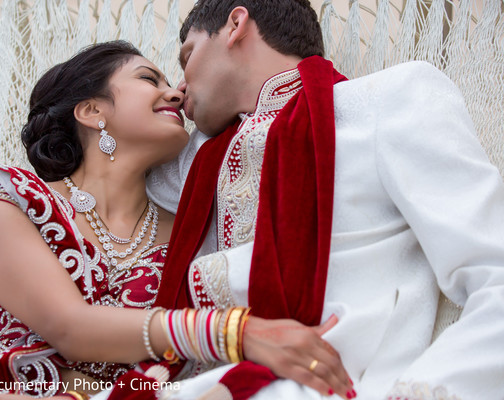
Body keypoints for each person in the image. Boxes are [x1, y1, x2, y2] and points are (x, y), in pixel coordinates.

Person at [0, 40, 352, 400]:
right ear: (91, 111)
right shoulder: (11, 201)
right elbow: (67, 326)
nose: (175, 91)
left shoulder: (191, 229)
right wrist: (238, 332)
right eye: (147, 78)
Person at [102, 0, 504, 399]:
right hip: (185, 381)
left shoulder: (387, 99)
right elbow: (107, 164)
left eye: (187, 55)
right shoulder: (197, 159)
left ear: (235, 24)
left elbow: (496, 273)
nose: (180, 87)